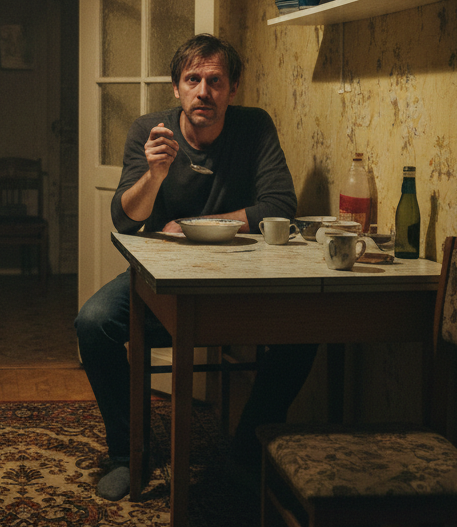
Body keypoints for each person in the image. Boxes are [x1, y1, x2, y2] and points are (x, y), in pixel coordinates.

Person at [75, 33, 317, 500]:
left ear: (233, 88)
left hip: (240, 280)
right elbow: (125, 219)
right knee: (93, 323)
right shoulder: (151, 131)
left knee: (305, 327)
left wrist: (196, 226)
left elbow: (280, 206)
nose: (204, 91)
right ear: (176, 87)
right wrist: (155, 174)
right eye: (192, 79)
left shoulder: (254, 127)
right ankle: (128, 453)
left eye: (215, 80)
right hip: (162, 280)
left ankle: (247, 451)